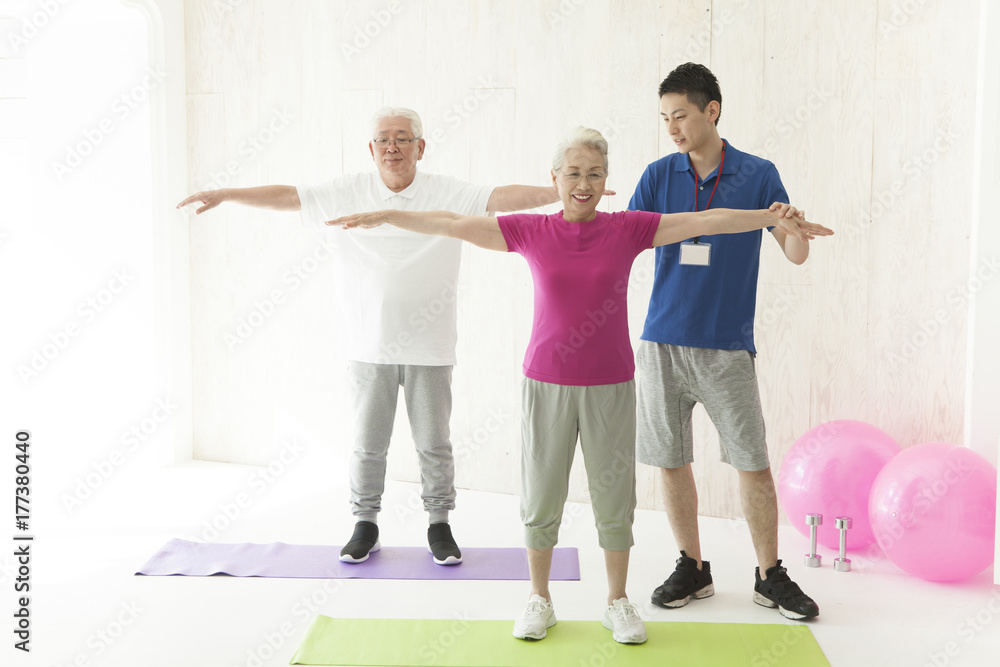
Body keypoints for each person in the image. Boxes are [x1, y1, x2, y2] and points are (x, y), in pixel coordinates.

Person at [329, 127, 832, 643]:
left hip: (611, 385)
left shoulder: (627, 228)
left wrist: (772, 217)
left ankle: (617, 601)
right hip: (545, 384)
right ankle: (539, 599)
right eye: (573, 174)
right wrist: (389, 214)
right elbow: (454, 223)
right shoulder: (531, 231)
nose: (584, 183)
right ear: (555, 179)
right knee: (542, 495)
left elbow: (708, 220)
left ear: (606, 180)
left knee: (614, 499)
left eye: (594, 174)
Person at [177, 107, 569, 566]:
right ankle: (365, 524)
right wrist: (226, 194)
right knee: (368, 443)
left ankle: (439, 524)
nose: (392, 147)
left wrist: (559, 190)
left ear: (420, 148)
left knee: (434, 443)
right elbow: (289, 196)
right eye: (383, 139)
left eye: (403, 139)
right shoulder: (348, 191)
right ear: (371, 149)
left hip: (431, 347)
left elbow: (500, 197)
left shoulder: (447, 191)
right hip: (368, 347)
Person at [629, 63, 822, 620]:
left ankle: (769, 575)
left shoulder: (758, 174)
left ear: (711, 110)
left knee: (752, 464)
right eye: (665, 117)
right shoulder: (658, 174)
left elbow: (796, 253)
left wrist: (789, 223)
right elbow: (629, 241)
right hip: (662, 341)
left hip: (726, 346)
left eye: (681, 115)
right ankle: (691, 565)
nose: (672, 127)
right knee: (670, 461)